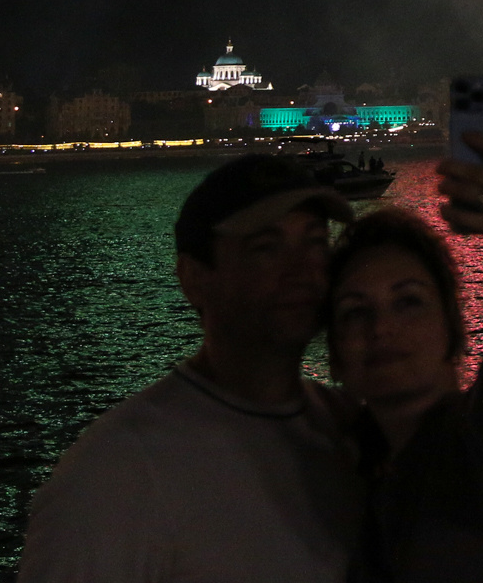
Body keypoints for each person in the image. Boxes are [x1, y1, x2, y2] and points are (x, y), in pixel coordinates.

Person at [18, 154, 362, 582]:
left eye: (314, 242)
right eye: (266, 248)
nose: (303, 269)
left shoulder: (350, 431)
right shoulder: (116, 473)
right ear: (195, 279)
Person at [327, 131, 483, 583]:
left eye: (408, 302)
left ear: (453, 326)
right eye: (355, 312)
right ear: (334, 355)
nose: (381, 328)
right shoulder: (347, 473)